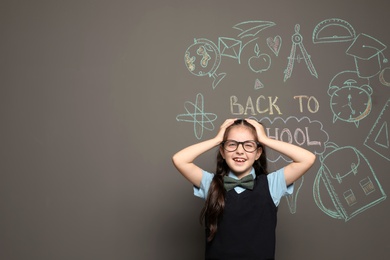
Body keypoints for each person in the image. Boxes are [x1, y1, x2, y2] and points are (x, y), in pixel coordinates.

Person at [172, 118, 316, 260]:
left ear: (258, 153)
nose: (240, 151)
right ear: (222, 151)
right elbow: (180, 159)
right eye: (232, 144)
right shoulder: (211, 183)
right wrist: (217, 139)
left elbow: (307, 158)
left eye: (248, 145)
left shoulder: (272, 184)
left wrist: (265, 139)